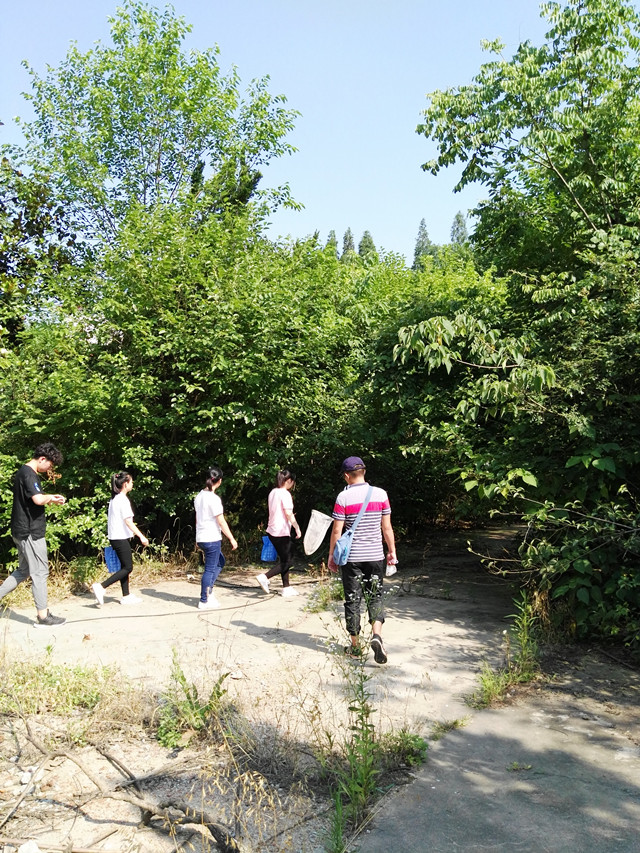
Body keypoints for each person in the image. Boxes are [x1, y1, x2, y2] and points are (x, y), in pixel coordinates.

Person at [328, 456, 396, 664]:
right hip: (375, 555)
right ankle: (377, 636)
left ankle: (355, 646)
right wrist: (392, 551)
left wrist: (332, 556)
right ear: (364, 472)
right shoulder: (381, 494)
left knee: (353, 599)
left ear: (346, 475)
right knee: (375, 596)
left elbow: (337, 531)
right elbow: (387, 528)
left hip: (352, 558)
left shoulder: (343, 497)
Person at [0, 442, 67, 626]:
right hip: (30, 532)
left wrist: (49, 499)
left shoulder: (23, 472)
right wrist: (52, 497)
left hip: (21, 530)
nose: (49, 469)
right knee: (40, 572)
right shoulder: (29, 474)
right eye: (50, 465)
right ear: (42, 459)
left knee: (24, 570)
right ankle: (43, 616)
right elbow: (37, 499)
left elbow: (31, 501)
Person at [92, 472, 148, 607]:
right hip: (119, 538)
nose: (132, 484)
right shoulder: (122, 500)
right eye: (131, 482)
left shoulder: (115, 499)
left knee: (124, 566)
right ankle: (101, 586)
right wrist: (141, 536)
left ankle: (126, 596)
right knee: (128, 567)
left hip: (116, 537)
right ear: (125, 484)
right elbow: (128, 521)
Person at [194, 466, 237, 610]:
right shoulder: (214, 499)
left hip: (202, 537)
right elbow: (221, 521)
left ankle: (209, 591)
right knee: (210, 569)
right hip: (211, 537)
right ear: (219, 481)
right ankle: (204, 599)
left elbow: (197, 519)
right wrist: (231, 538)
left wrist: (197, 538)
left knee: (220, 562)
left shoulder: (199, 496)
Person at [256, 469, 302, 598]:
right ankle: (265, 577)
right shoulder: (285, 494)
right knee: (289, 561)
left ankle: (286, 588)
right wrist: (297, 527)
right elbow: (288, 513)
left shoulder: (273, 492)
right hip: (280, 532)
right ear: (289, 481)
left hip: (272, 531)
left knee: (284, 558)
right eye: (292, 482)